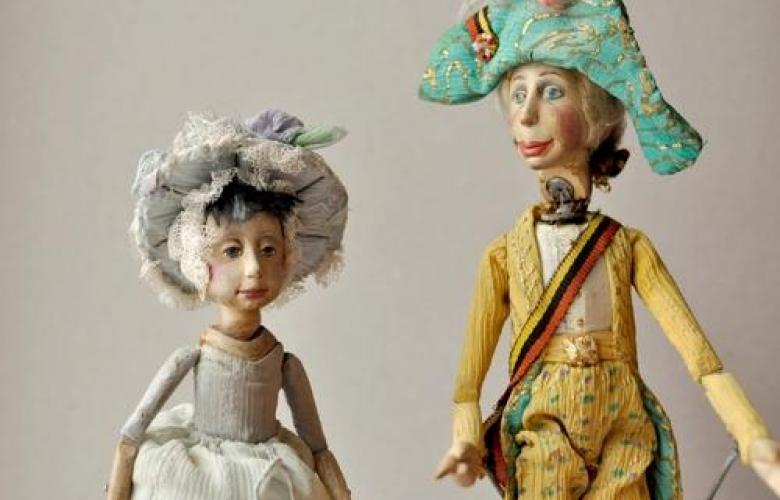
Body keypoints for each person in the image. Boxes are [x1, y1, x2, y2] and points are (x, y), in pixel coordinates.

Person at [419, 1, 780, 498]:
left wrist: (754, 438)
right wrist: (465, 441)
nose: (526, 113)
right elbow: (468, 384)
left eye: (551, 91)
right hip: (543, 429)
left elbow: (701, 358)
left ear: (595, 111)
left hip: (624, 430)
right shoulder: (504, 255)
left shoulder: (627, 247)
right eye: (517, 94)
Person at [106, 109, 352, 500]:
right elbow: (131, 435)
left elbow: (318, 448)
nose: (254, 268)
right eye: (232, 251)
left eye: (268, 249)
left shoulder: (285, 364)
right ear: (196, 260)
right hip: (198, 478)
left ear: (288, 256)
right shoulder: (190, 358)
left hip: (271, 474)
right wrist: (118, 488)